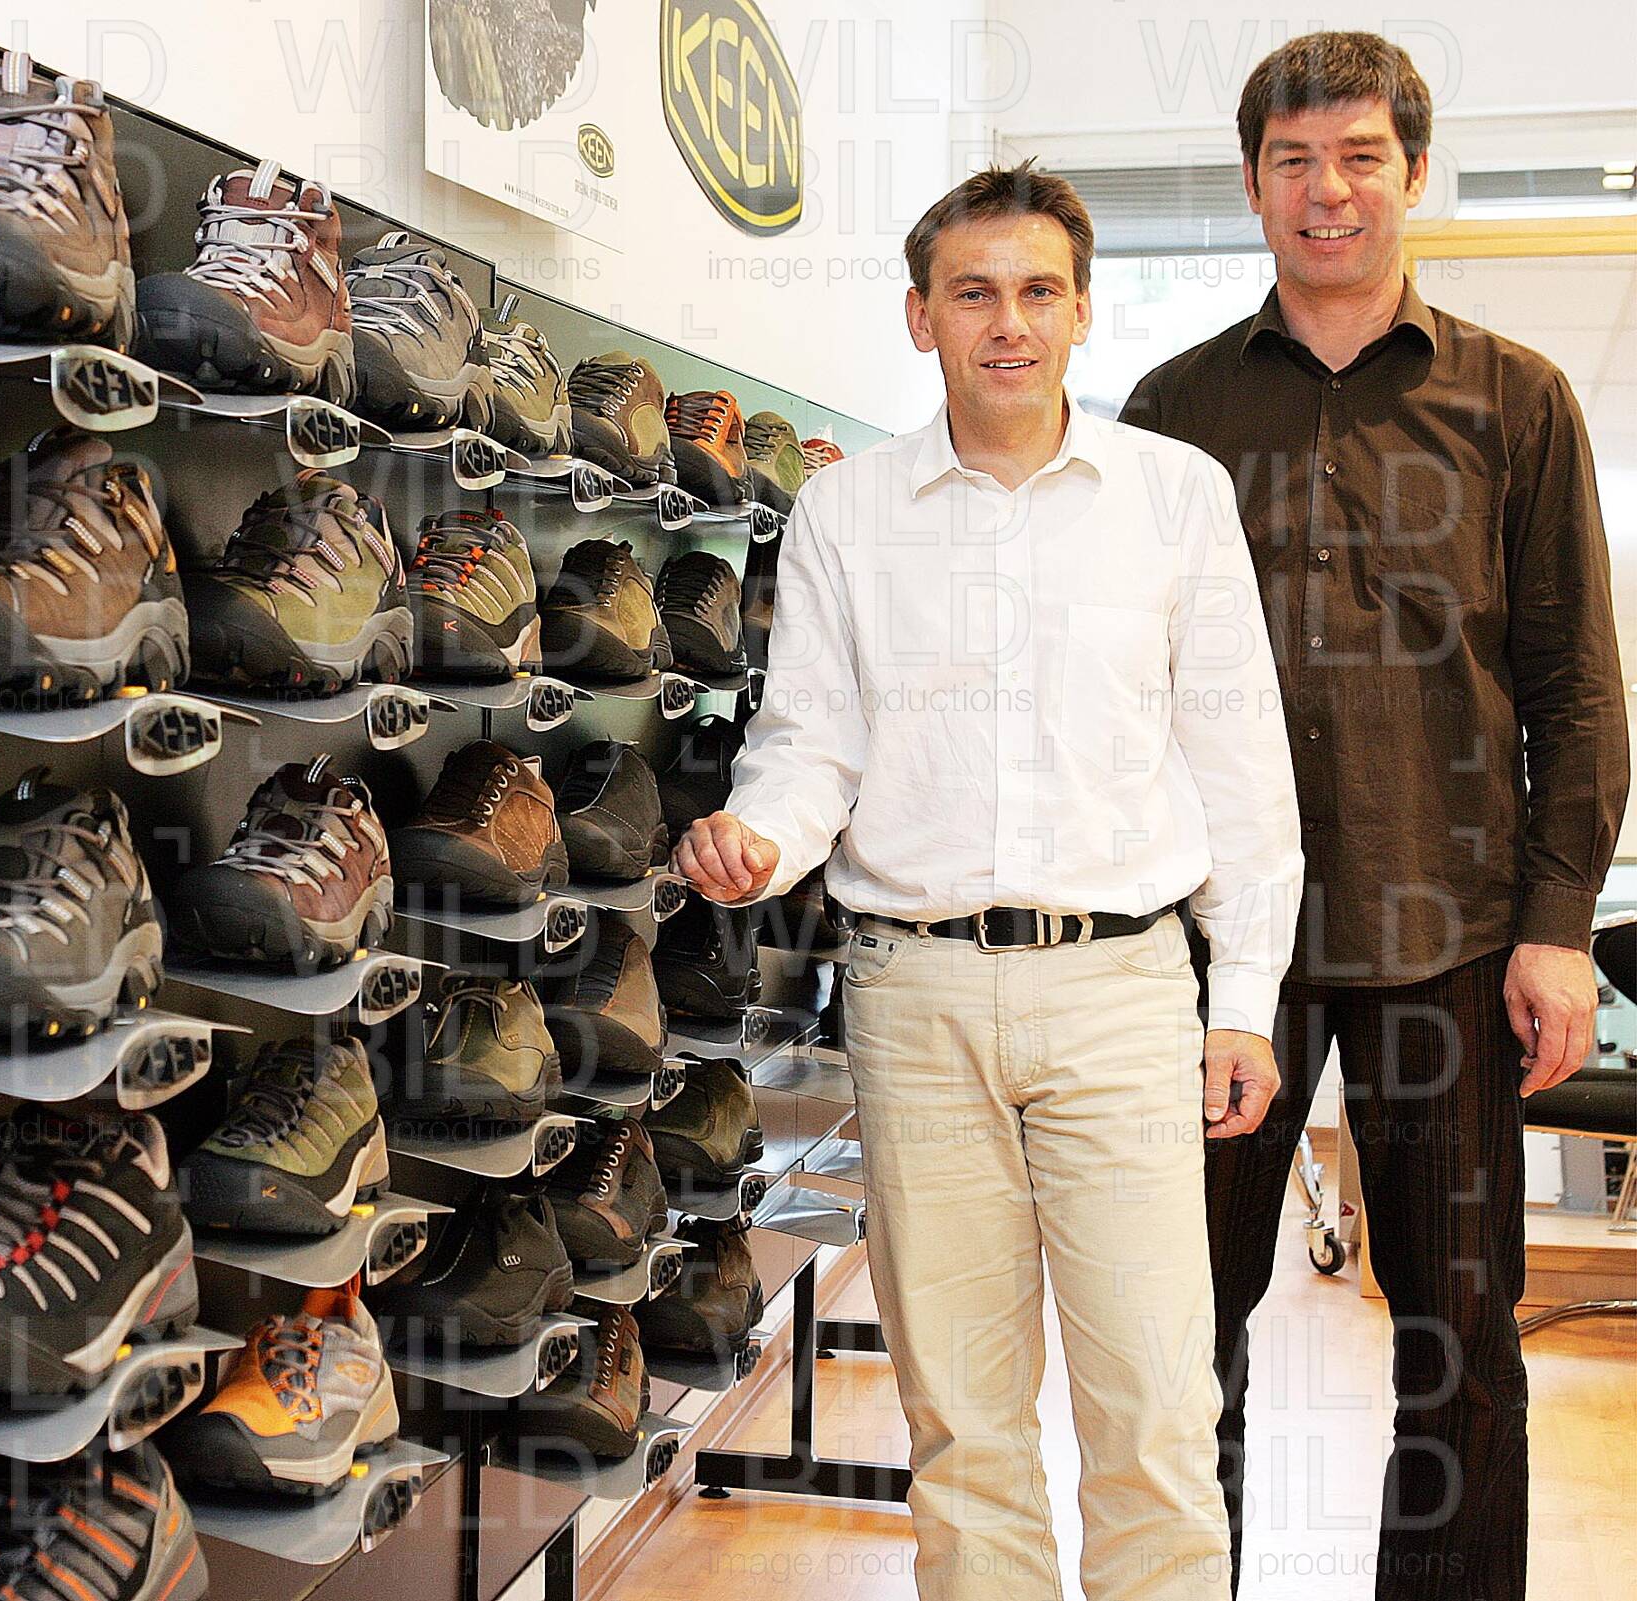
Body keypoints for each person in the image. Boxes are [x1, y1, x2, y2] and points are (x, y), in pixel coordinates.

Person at [677, 161, 1303, 1600]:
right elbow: (811, 745)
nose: (1007, 322)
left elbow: (1243, 770)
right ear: (922, 317)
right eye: (973, 293)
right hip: (915, 994)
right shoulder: (846, 513)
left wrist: (1246, 1000)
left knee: (1156, 1415)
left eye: (1036, 292)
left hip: (1122, 993)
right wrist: (759, 835)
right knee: (963, 1428)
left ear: (1083, 311)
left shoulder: (1175, 498)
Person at [1118, 33, 1628, 1601]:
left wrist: (1557, 927)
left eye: (1358, 158)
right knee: (1178, 1337)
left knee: (1459, 1342)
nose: (1326, 190)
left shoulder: (1517, 401)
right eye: (1294, 161)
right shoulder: (1170, 409)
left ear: (1413, 174)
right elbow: (1117, 688)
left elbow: (1576, 686)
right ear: (1254, 183)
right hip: (1220, 958)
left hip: (1448, 939)